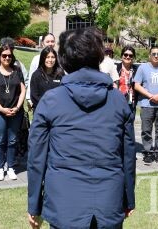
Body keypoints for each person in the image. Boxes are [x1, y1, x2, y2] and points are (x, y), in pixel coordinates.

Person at [27, 27, 136, 229]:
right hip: (106, 201)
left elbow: (36, 157)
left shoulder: (51, 101)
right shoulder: (119, 101)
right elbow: (128, 156)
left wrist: (34, 205)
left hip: (65, 203)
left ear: (64, 60)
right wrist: (128, 198)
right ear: (98, 57)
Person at [0, 44, 26, 181]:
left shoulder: (17, 71)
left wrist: (18, 107)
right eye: (4, 55)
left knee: (13, 140)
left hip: (16, 111)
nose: (7, 57)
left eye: (9, 55)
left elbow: (23, 90)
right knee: (0, 139)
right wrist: (2, 109)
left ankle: (11, 167)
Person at [134, 45, 158, 166]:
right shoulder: (142, 68)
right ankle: (148, 152)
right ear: (149, 55)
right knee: (146, 130)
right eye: (154, 54)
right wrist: (150, 95)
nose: (156, 56)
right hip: (146, 104)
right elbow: (136, 85)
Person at [26, 33, 56, 108]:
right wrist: (29, 98)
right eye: (48, 41)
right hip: (39, 100)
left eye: (52, 41)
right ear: (42, 43)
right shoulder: (36, 59)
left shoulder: (58, 58)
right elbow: (31, 79)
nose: (50, 44)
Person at [116, 45, 138, 110]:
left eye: (130, 55)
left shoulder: (137, 70)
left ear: (133, 57)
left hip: (131, 102)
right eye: (125, 55)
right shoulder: (116, 68)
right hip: (117, 101)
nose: (128, 57)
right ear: (121, 56)